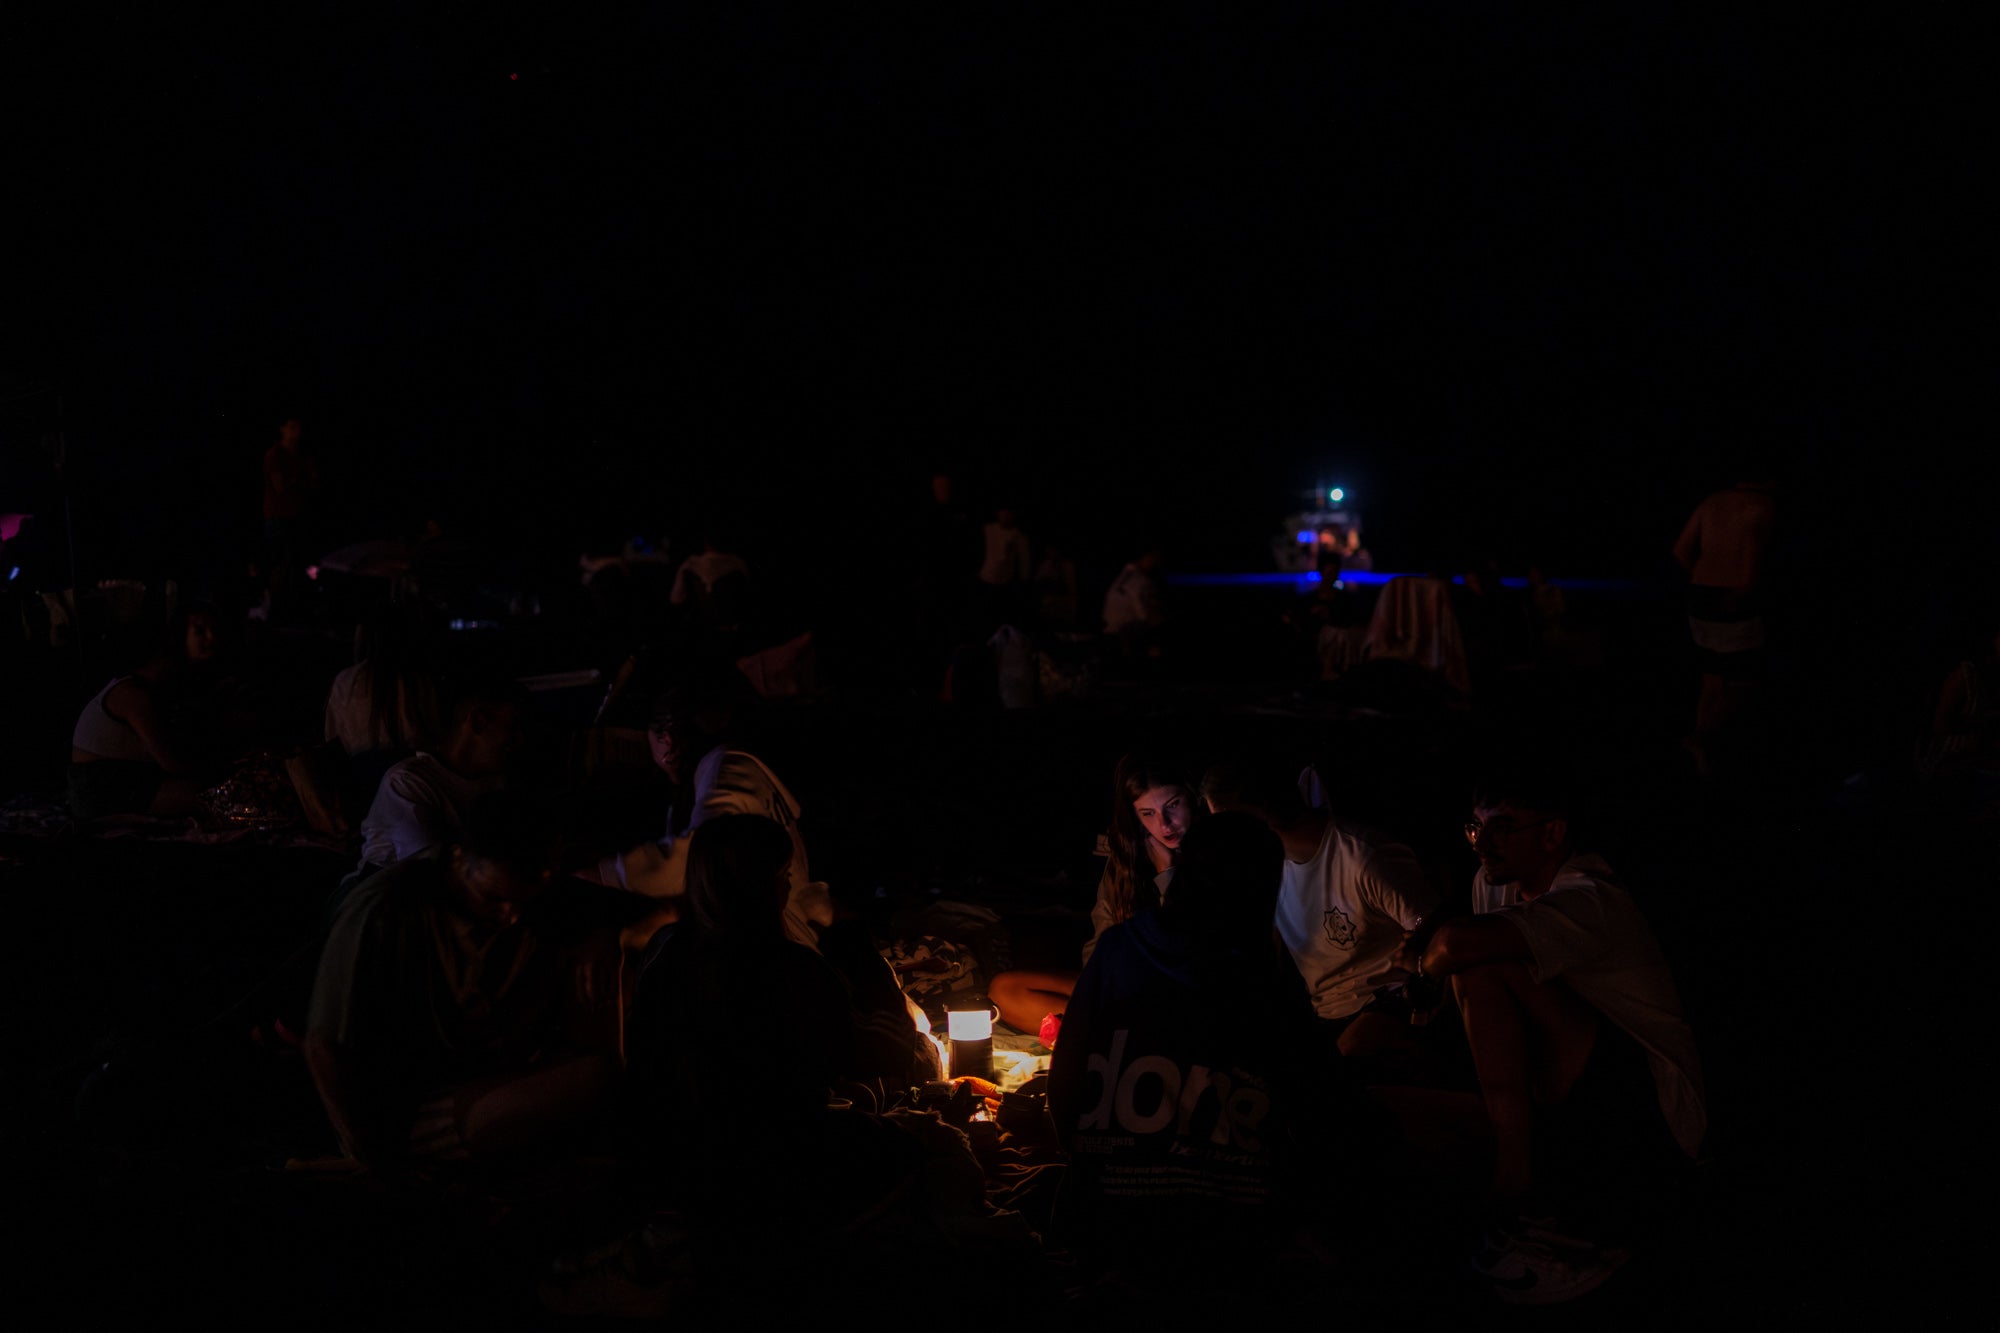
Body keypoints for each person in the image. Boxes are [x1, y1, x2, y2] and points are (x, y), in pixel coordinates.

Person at [1378, 768, 1705, 1304]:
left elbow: (1459, 946)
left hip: (1650, 1105)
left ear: (1553, 834)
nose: (1483, 842)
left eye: (1503, 827)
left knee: (1479, 963)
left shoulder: (1591, 897)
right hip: (1566, 1083)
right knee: (1384, 1100)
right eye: (1476, 828)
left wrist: (1422, 976)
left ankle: (1517, 1181)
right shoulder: (1494, 883)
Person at [1047, 812, 1375, 1289]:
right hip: (1225, 1222)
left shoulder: (1118, 948)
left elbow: (1066, 1080)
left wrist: (1094, 1161)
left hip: (1103, 1212)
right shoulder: (1263, 976)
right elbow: (1320, 1099)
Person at [304, 791, 622, 1170]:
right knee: (595, 1082)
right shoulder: (386, 910)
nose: (511, 917)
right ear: (458, 859)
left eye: (522, 903)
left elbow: (605, 909)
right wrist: (368, 1157)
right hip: (416, 1106)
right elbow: (324, 1046)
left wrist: (599, 940)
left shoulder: (531, 891)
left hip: (494, 1069)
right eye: (493, 899)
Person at [1201, 755, 1437, 1059]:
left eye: (1225, 824)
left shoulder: (1363, 858)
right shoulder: (1268, 869)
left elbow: (1435, 928)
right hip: (1327, 1014)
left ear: (1256, 814)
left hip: (1389, 1002)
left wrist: (1419, 952)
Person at [590, 683, 833, 951]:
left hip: (780, 951)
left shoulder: (725, 769)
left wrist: (598, 874)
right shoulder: (735, 769)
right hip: (791, 951)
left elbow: (696, 858)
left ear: (667, 736)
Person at [987, 755, 1199, 1036]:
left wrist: (1168, 875)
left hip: (1177, 993)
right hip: (1123, 988)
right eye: (1148, 813)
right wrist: (1102, 983)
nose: (1165, 824)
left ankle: (1099, 1038)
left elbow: (1185, 953)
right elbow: (1101, 939)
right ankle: (1101, 1035)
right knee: (1006, 990)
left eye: (1173, 805)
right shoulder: (1128, 860)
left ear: (1191, 798)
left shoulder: (1216, 853)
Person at [348, 676, 525, 885]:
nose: (520, 739)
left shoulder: (500, 783)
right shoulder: (408, 782)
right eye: (513, 726)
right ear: (478, 722)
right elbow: (429, 869)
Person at [67, 604, 221, 821]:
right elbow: (172, 762)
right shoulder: (133, 695)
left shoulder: (157, 690)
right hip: (102, 791)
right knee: (218, 796)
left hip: (127, 781)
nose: (211, 638)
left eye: (215, 629)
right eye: (199, 631)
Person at [1672, 469, 1777, 775]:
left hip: (1699, 597)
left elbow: (1679, 552)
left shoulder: (1712, 501)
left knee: (1713, 680)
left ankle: (1702, 753)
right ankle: (1701, 741)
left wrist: (1701, 579)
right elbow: (1750, 568)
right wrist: (1738, 592)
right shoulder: (1763, 506)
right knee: (1743, 685)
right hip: (1733, 601)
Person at [324, 605, 441, 807]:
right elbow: (432, 738)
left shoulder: (347, 681)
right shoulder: (421, 684)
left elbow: (332, 742)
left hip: (362, 790)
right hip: (409, 790)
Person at [1101, 548, 1165, 637]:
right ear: (1148, 557)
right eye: (1155, 558)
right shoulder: (1141, 581)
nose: (1157, 563)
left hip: (1111, 634)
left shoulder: (1121, 577)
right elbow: (1148, 618)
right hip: (1123, 638)